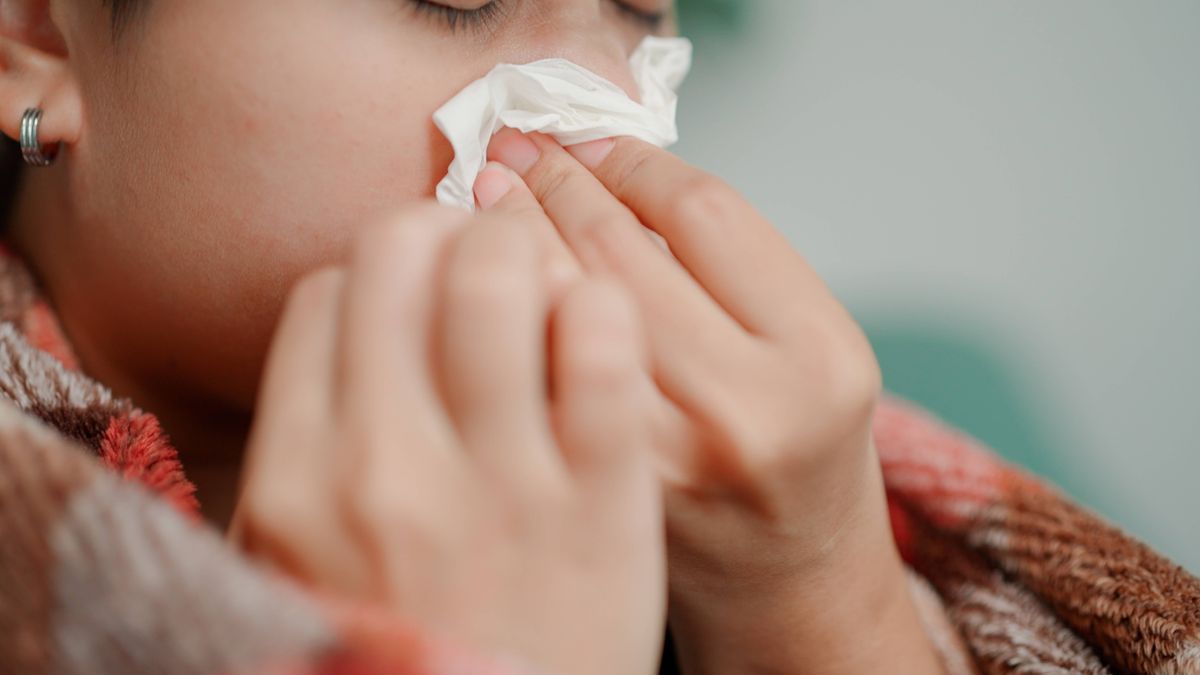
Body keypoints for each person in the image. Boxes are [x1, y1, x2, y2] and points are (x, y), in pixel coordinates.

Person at [1, 1, 1197, 674]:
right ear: (41, 35)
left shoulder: (823, 454)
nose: (595, 104)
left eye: (632, 6)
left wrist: (814, 604)